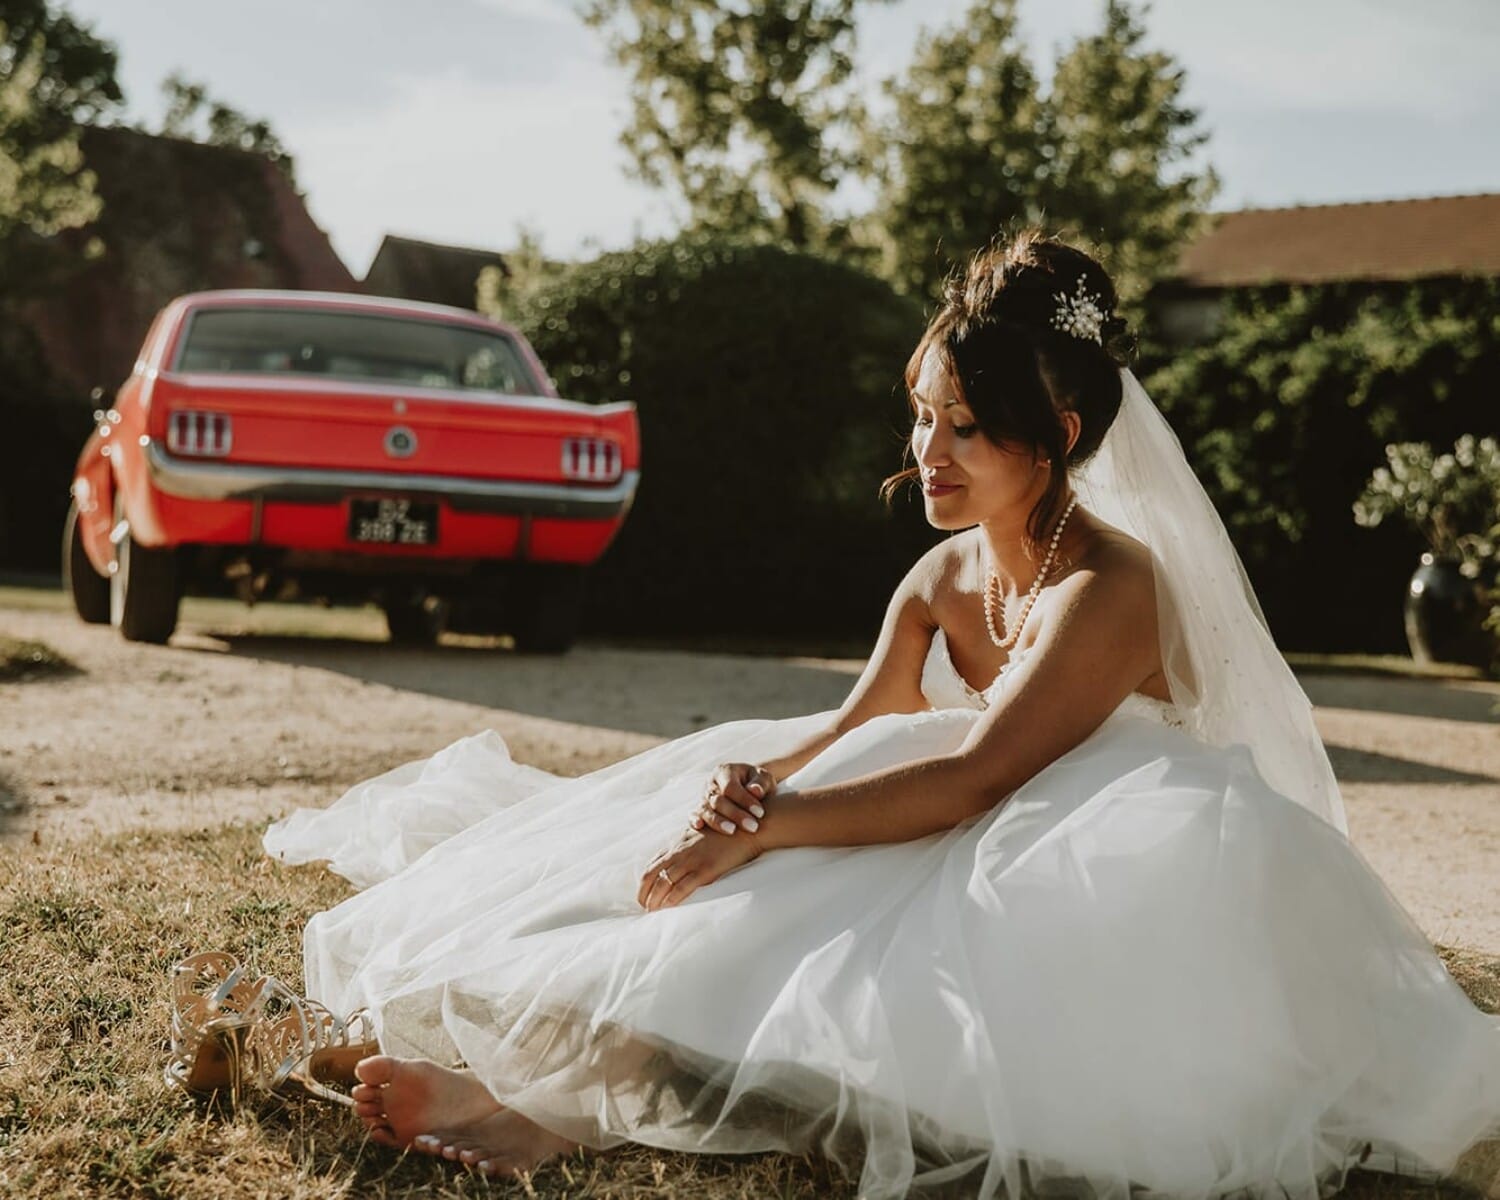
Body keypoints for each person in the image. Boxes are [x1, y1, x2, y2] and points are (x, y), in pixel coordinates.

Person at [262, 230, 1500, 1200]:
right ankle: (552, 1088)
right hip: (948, 811)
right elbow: (854, 724)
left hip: (1104, 865)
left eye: (967, 428)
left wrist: (776, 829)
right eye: (923, 414)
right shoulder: (942, 575)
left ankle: (540, 1115)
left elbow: (978, 775)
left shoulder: (1111, 589)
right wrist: (754, 783)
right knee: (713, 887)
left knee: (823, 891)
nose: (931, 449)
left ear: (1057, 439)